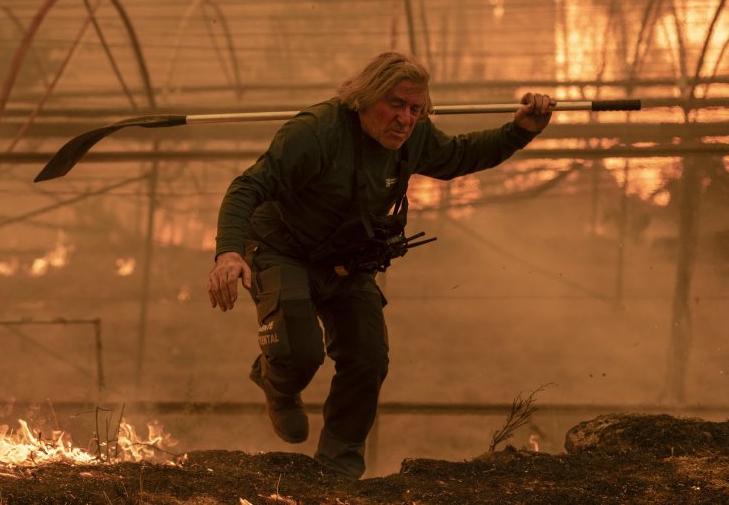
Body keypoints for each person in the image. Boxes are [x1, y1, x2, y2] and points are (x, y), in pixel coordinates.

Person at [207, 51, 554, 478]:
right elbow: (247, 187)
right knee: (298, 351)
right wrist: (228, 253)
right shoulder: (314, 133)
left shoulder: (415, 137)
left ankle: (338, 466)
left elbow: (461, 155)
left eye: (415, 109)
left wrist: (520, 131)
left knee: (368, 357)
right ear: (364, 97)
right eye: (395, 104)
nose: (405, 119)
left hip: (348, 260)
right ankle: (276, 382)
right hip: (282, 249)